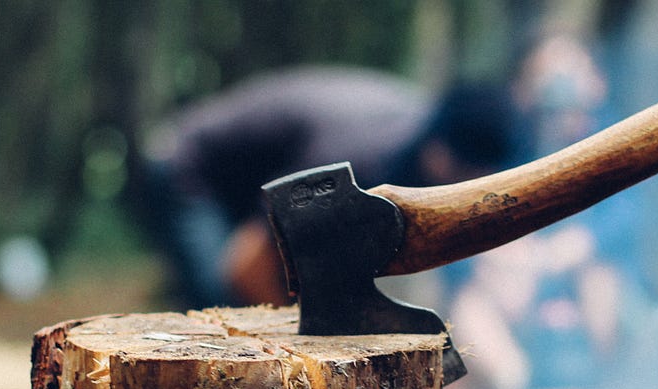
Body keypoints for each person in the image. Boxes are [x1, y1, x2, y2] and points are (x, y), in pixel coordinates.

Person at [434, 33, 658, 389]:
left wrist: (572, 249)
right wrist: (497, 259)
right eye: (546, 76)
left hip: (601, 313)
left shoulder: (622, 141)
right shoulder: (506, 146)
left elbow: (631, 221)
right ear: (523, 90)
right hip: (516, 313)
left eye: (571, 73)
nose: (559, 88)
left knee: (599, 282)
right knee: (469, 311)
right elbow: (459, 231)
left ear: (596, 82)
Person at [141, 67, 517, 309]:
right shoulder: (355, 161)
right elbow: (245, 266)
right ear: (442, 157)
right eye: (468, 179)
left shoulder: (422, 139)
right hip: (188, 167)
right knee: (221, 308)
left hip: (255, 175)